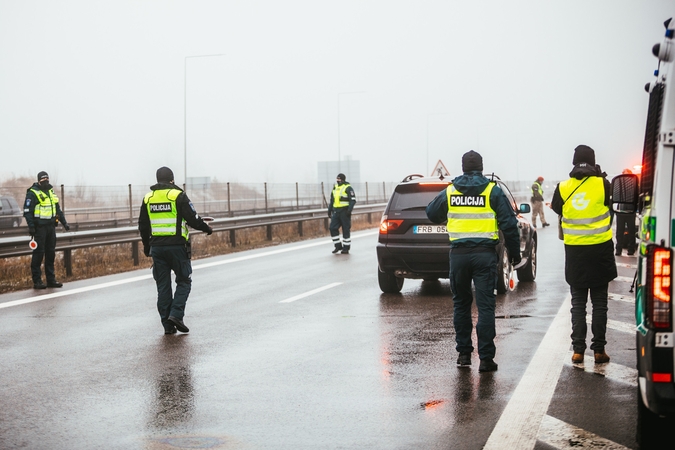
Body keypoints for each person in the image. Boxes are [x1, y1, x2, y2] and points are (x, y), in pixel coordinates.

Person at [426, 150, 521, 373]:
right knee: (486, 306)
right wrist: (515, 253)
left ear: (462, 168)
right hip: (485, 255)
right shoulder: (492, 191)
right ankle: (486, 359)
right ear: (481, 166)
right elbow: (509, 224)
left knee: (461, 305)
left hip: (458, 256)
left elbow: (432, 213)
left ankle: (464, 355)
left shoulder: (450, 191)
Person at [550, 145, 617, 364]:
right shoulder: (603, 184)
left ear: (574, 162)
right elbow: (610, 210)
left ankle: (578, 350)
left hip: (575, 253)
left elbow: (557, 209)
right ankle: (599, 351)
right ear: (593, 162)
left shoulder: (563, 187)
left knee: (578, 304)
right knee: (600, 304)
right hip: (601, 251)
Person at [138, 166, 213, 335]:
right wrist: (206, 228)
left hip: (157, 248)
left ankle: (168, 325)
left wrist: (147, 246)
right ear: (172, 179)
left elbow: (143, 225)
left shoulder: (148, 198)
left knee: (163, 287)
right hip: (177, 247)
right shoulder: (178, 195)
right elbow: (192, 219)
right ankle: (176, 315)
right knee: (184, 281)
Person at [23, 171, 70, 289]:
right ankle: (37, 281)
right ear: (39, 180)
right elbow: (27, 212)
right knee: (38, 254)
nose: (46, 181)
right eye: (43, 179)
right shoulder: (32, 193)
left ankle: (51, 280)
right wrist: (31, 226)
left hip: (50, 228)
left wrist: (64, 223)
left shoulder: (50, 192)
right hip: (39, 229)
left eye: (47, 179)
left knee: (50, 254)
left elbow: (57, 210)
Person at [328, 173, 356, 254]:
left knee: (345, 229)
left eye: (339, 179)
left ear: (343, 179)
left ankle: (346, 248)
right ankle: (337, 246)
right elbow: (332, 200)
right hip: (336, 211)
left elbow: (353, 200)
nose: (337, 181)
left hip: (344, 212)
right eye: (337, 179)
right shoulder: (335, 188)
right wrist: (329, 210)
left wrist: (349, 210)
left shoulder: (348, 188)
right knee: (332, 228)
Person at [614, 169, 637, 256]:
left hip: (630, 211)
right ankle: (618, 249)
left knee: (631, 231)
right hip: (622, 211)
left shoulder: (631, 185)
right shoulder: (621, 185)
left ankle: (630, 249)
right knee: (620, 231)